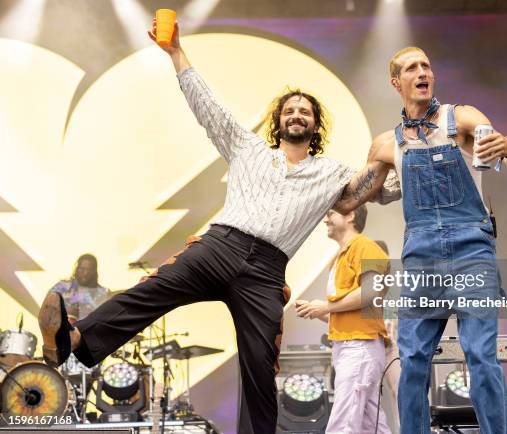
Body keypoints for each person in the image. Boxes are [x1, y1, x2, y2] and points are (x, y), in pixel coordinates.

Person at [37, 20, 390, 434]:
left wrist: (395, 154)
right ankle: (74, 341)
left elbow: (377, 190)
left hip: (266, 272)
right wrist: (176, 54)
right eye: (290, 109)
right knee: (151, 290)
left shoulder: (331, 173)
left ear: (315, 125)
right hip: (221, 245)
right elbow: (209, 107)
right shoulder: (249, 148)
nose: (297, 114)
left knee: (260, 365)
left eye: (305, 111)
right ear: (279, 121)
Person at [334, 46, 507, 433]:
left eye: (426, 66)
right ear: (396, 82)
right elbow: (349, 199)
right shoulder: (387, 145)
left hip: (472, 251)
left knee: (480, 356)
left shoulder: (464, 117)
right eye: (411, 67)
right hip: (421, 259)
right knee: (412, 362)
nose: (422, 72)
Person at [296, 205, 392, 434]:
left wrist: (326, 306)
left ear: (350, 215)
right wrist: (317, 310)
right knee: (372, 425)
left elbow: (371, 292)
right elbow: (347, 309)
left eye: (330, 214)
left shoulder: (366, 247)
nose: (325, 219)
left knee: (343, 424)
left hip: (360, 346)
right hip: (351, 346)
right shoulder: (339, 258)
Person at [49, 254, 109, 323]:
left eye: (89, 270)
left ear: (94, 271)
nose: (85, 273)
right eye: (82, 269)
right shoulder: (62, 287)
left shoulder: (102, 293)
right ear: (77, 268)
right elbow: (46, 311)